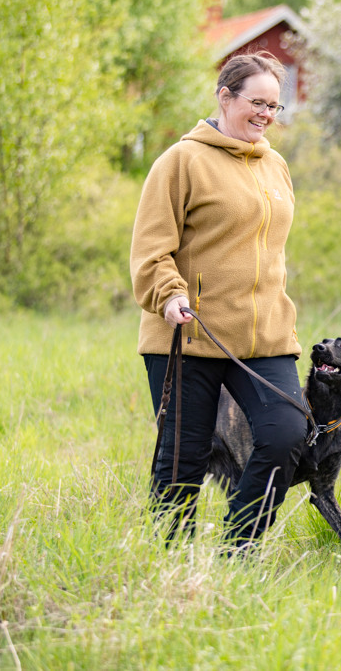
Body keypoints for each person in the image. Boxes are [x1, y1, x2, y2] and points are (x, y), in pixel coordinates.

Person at [130, 51, 305, 550]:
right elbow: (150, 249)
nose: (266, 114)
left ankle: (236, 550)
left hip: (265, 337)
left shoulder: (275, 166)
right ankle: (170, 564)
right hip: (188, 333)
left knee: (286, 434)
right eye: (257, 103)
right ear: (225, 96)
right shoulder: (181, 162)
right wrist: (169, 295)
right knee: (183, 460)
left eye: (274, 106)